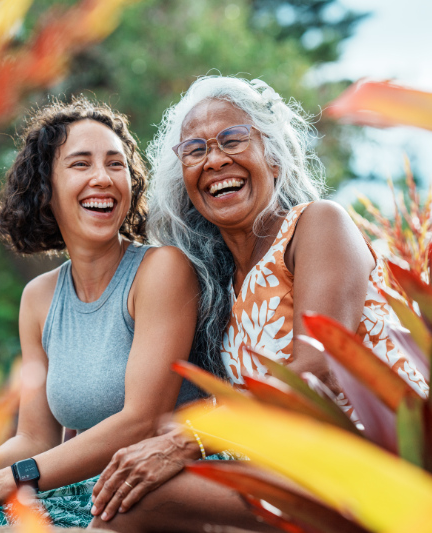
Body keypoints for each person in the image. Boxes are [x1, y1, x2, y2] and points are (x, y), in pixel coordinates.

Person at [89, 76, 429, 532]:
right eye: (196, 150)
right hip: (295, 470)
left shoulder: (318, 224)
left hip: (380, 467)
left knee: (139, 501)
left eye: (233, 139)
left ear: (273, 153)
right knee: (126, 489)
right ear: (183, 175)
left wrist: (184, 442)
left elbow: (314, 369)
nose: (215, 160)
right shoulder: (219, 286)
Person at [0, 97, 201, 529]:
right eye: (81, 164)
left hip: (149, 494)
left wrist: (8, 479)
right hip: (79, 491)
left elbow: (141, 421)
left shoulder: (162, 270)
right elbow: (35, 438)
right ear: (46, 188)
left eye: (116, 164)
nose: (103, 178)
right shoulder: (38, 298)